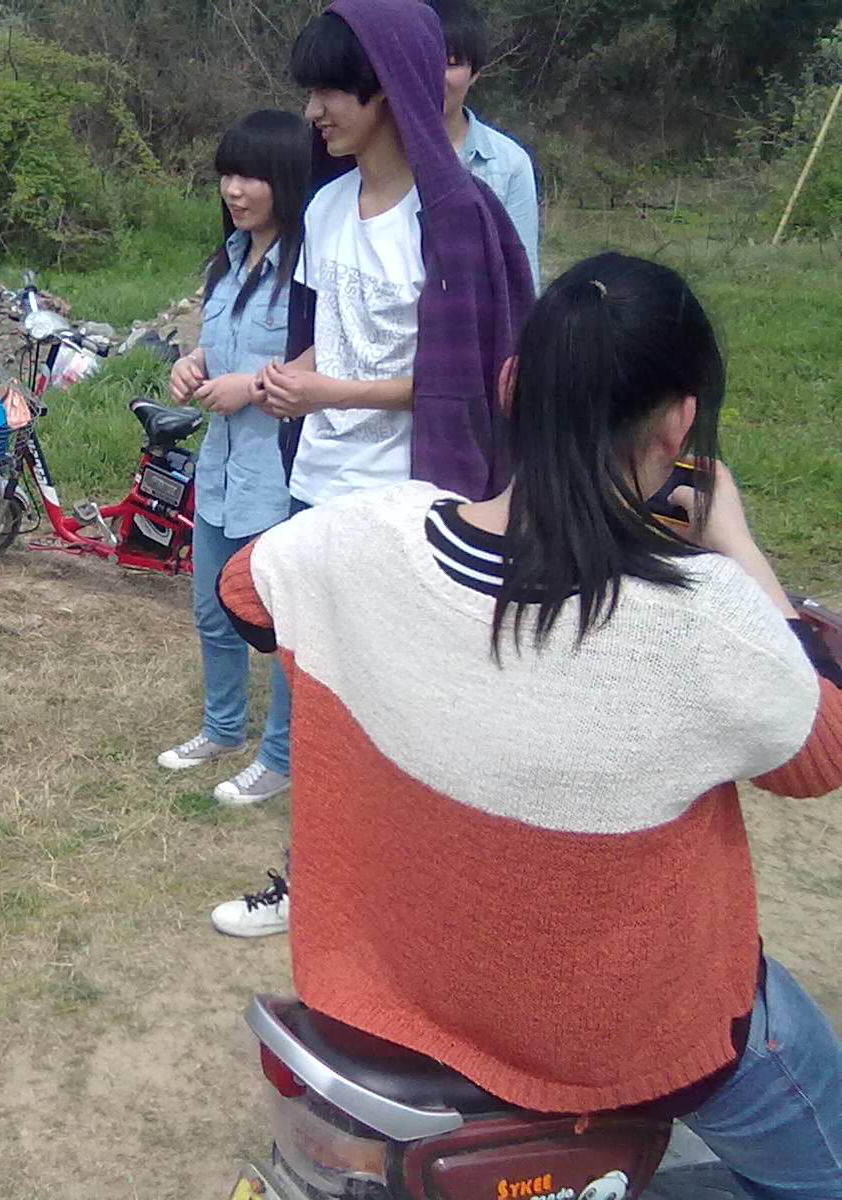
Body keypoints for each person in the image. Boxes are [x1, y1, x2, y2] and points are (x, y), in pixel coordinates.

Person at [220, 253, 842, 1194]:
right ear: (679, 425)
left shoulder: (356, 537)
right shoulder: (706, 618)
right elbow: (818, 753)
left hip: (388, 989)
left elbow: (245, 594)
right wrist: (737, 544)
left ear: (512, 386)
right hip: (618, 1033)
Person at [210, 0, 535, 937]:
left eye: (330, 91)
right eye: (309, 91)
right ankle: (315, 882)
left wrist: (333, 392)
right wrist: (291, 381)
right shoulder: (323, 208)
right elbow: (328, 340)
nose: (313, 112)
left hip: (412, 503)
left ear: (387, 88)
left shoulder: (457, 218)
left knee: (407, 711)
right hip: (317, 487)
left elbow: (469, 379)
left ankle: (427, 895)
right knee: (321, 698)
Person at [158, 110, 314, 811]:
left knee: (279, 622)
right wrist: (192, 364)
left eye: (251, 176)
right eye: (226, 175)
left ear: (286, 179)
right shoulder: (228, 260)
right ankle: (221, 730)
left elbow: (327, 359)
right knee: (211, 608)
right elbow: (216, 343)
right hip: (220, 468)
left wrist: (251, 386)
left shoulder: (310, 269)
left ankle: (279, 757)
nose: (234, 190)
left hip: (279, 475)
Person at [424, 0, 540, 285]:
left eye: (452, 64)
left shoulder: (509, 163)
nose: (437, 76)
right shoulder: (377, 155)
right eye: (425, 58)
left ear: (474, 72)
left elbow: (522, 280)